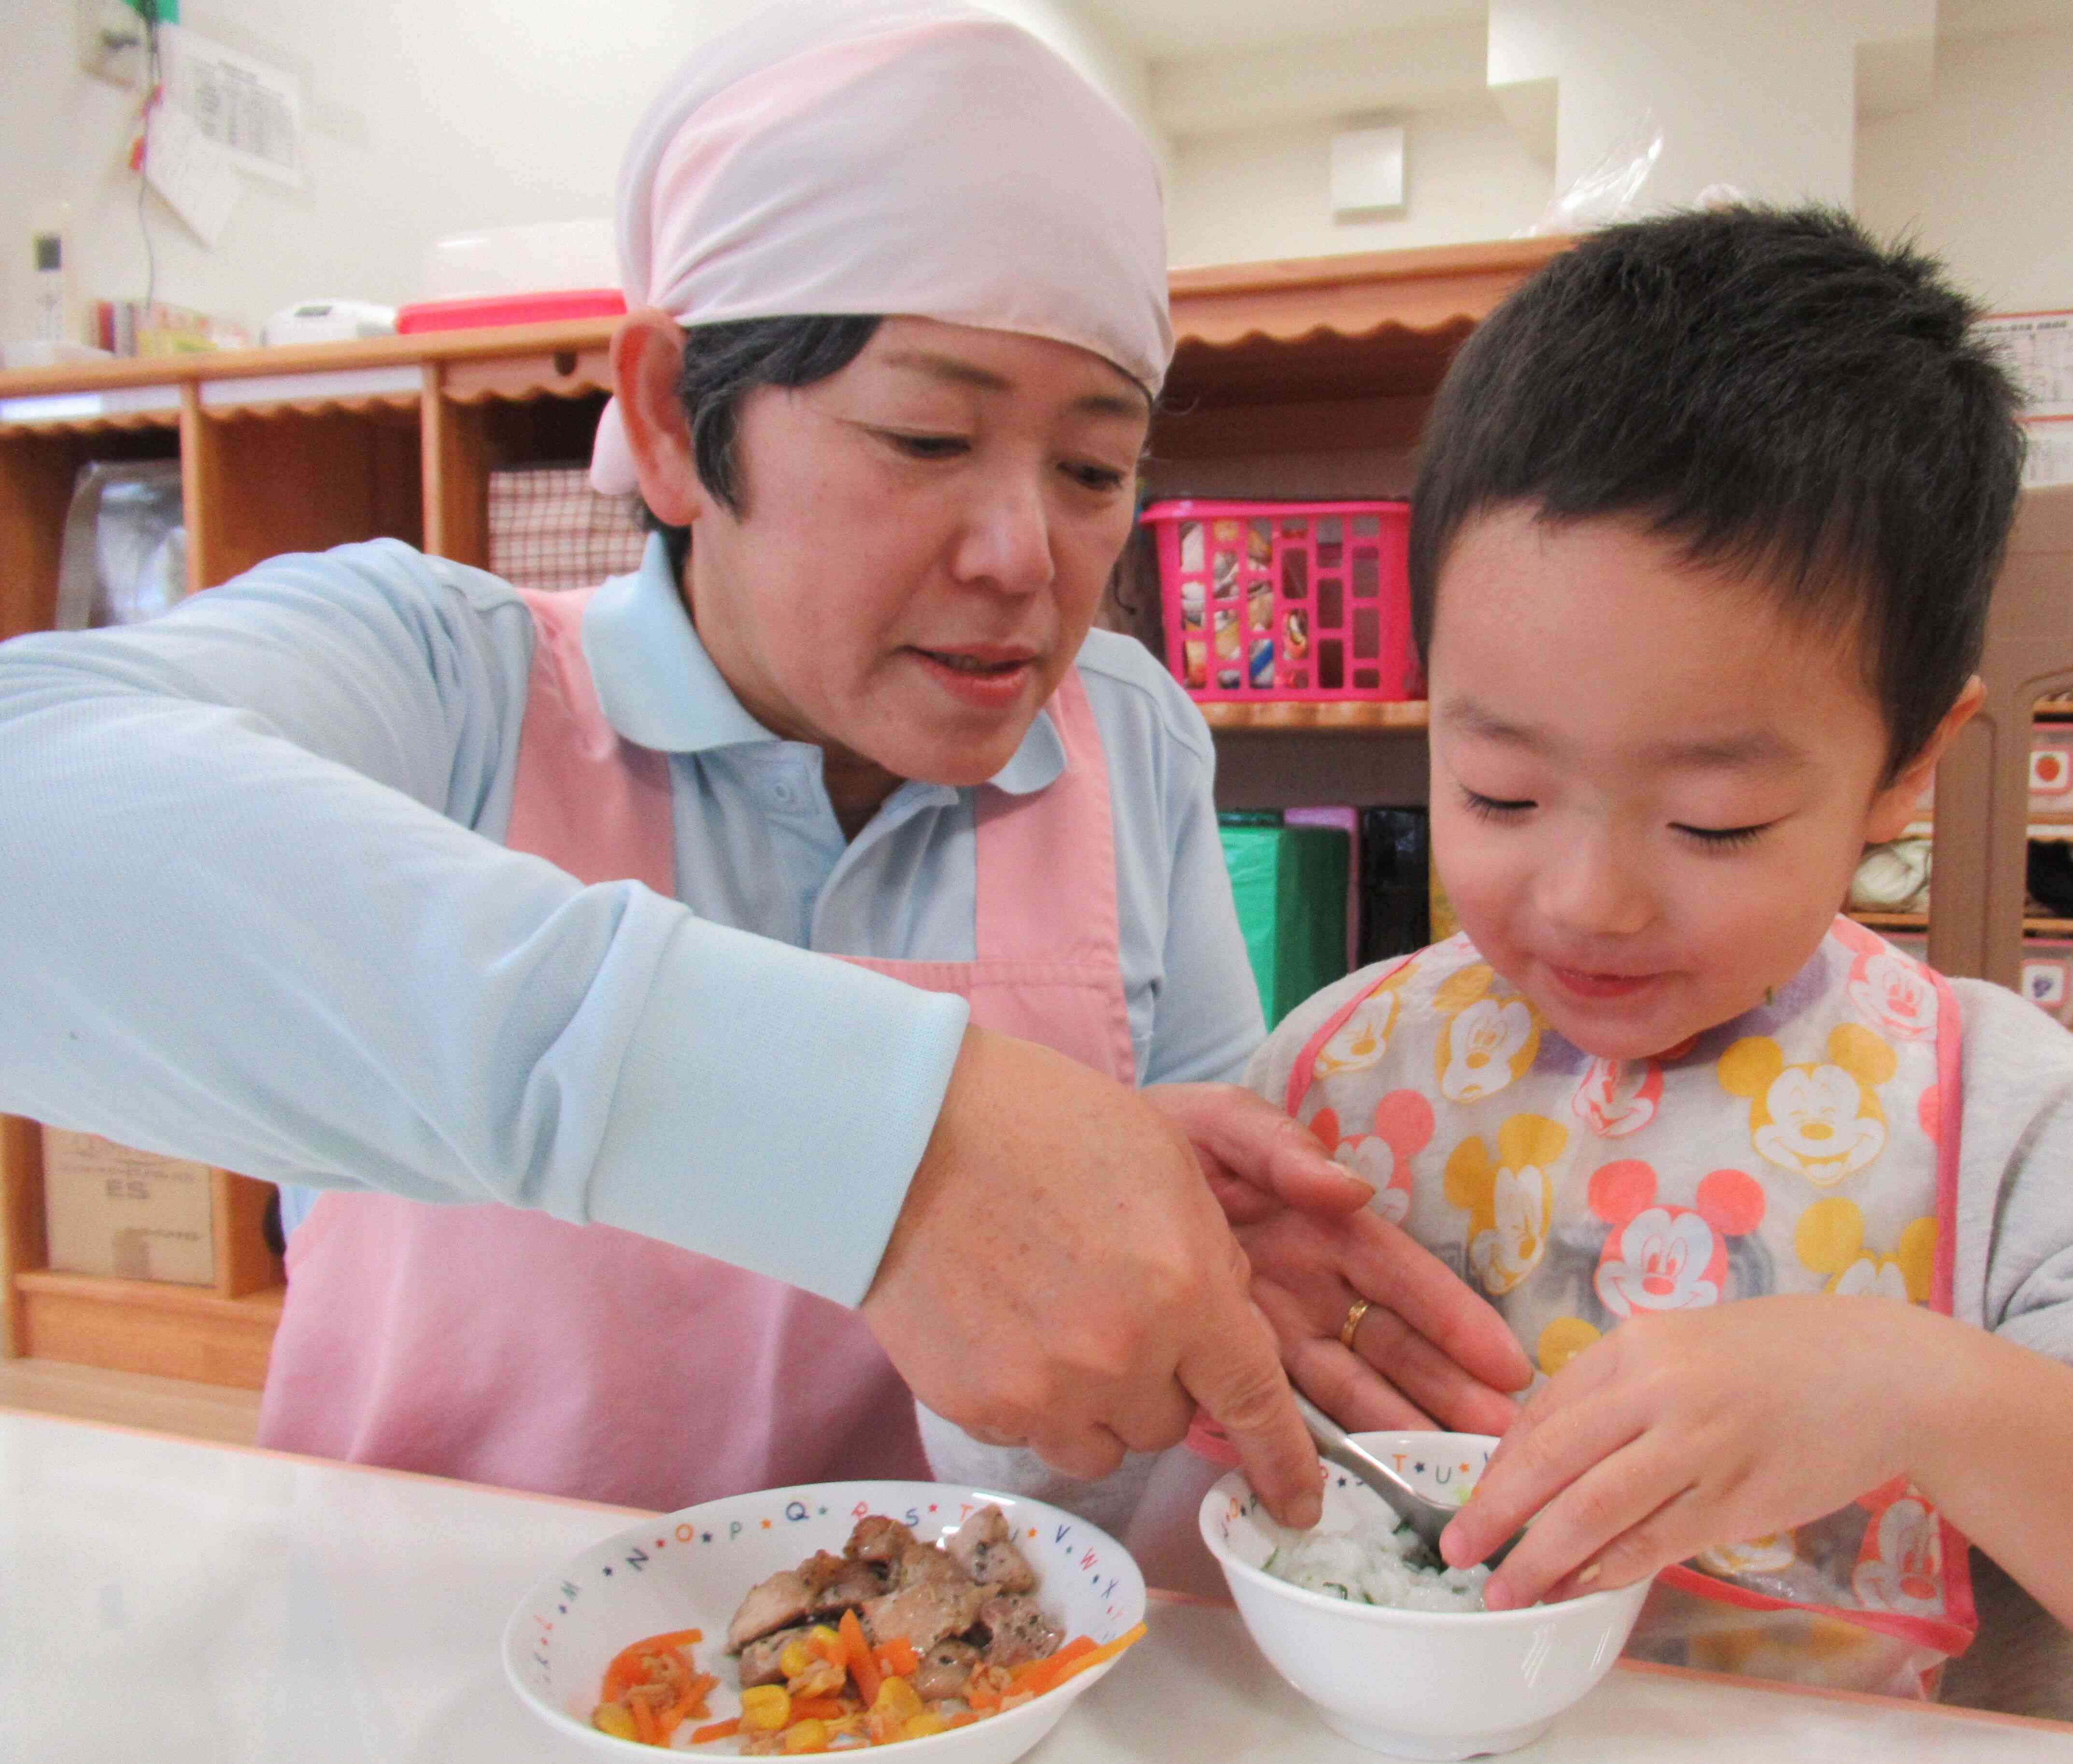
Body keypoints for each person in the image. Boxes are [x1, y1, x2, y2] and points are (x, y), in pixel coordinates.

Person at [0, 0, 1526, 1518]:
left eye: (1093, 469)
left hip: (982, 1706)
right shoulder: (445, 689)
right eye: (928, 440)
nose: (1023, 556)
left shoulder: (1125, 735)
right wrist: (886, 1142)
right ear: (672, 419)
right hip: (445, 1695)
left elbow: (1194, 1226)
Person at [1150, 208, 2073, 1726]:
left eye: (1714, 821)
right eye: (1500, 793)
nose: (1590, 900)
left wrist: (1917, 1392)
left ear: (1905, 771)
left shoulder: (2007, 1126)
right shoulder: (1332, 1080)